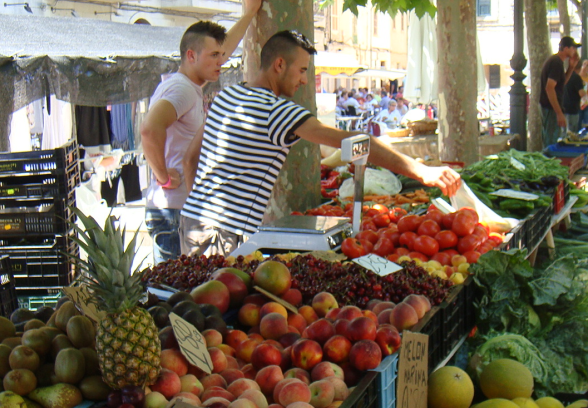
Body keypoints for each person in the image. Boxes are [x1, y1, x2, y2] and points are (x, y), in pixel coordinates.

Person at [180, 30, 461, 255]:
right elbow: (354, 142)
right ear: (279, 65)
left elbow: (190, 159)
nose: (305, 80)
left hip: (192, 222)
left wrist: (201, 207)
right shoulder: (277, 111)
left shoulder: (227, 95)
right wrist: (422, 171)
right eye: (302, 71)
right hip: (223, 235)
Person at [139, 2, 261, 264]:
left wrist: (249, 14)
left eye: (221, 55)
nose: (221, 61)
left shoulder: (187, 84)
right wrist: (163, 176)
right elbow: (149, 130)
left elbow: (223, 48)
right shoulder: (182, 89)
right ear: (191, 56)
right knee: (173, 295)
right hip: (172, 211)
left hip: (174, 210)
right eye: (214, 56)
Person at [539, 36, 581, 147]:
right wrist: (559, 113)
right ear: (566, 48)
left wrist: (571, 68)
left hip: (550, 107)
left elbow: (561, 83)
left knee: (552, 139)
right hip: (550, 108)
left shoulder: (557, 62)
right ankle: (548, 162)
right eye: (573, 48)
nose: (575, 51)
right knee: (551, 143)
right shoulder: (556, 62)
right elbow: (549, 88)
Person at [562, 58, 588, 133]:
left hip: (562, 107)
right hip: (573, 108)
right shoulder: (577, 78)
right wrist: (585, 89)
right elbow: (581, 93)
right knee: (572, 132)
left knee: (563, 132)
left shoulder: (564, 76)